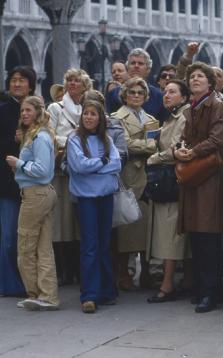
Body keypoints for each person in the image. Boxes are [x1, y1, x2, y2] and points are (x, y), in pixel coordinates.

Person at [174, 62, 223, 313]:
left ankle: (212, 291)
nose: (195, 80)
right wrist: (180, 149)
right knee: (196, 234)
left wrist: (192, 152)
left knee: (208, 234)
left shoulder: (216, 105)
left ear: (210, 82)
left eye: (200, 76)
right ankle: (202, 288)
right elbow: (184, 137)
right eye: (192, 77)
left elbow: (218, 138)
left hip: (209, 174)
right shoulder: (192, 108)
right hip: (195, 173)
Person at [67, 100, 121, 313]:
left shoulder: (106, 139)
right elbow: (79, 165)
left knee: (104, 244)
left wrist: (97, 164)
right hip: (86, 198)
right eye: (85, 113)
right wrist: (103, 163)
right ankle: (89, 294)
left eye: (93, 114)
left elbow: (117, 163)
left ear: (100, 118)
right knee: (90, 246)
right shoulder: (75, 140)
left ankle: (107, 290)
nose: (88, 117)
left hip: (105, 196)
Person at [6, 96, 59, 311]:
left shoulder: (40, 138)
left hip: (36, 195)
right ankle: (47, 295)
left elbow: (42, 171)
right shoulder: (35, 136)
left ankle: (35, 292)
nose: (24, 114)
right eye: (22, 111)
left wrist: (18, 163)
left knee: (26, 247)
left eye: (28, 110)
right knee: (43, 248)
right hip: (40, 194)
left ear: (38, 112)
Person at [146, 80, 190, 303]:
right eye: (165, 91)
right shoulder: (171, 116)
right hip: (168, 179)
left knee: (170, 233)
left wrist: (154, 157)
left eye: (172, 92)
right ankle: (172, 280)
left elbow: (176, 147)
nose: (166, 95)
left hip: (173, 179)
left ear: (183, 97)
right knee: (168, 232)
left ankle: (168, 284)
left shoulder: (183, 116)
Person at [112, 77, 159, 291]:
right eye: (132, 92)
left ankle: (147, 273)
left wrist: (150, 145)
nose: (137, 96)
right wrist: (149, 145)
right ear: (125, 95)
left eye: (140, 92)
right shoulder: (116, 118)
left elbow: (156, 143)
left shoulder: (150, 117)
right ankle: (123, 273)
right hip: (128, 175)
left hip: (148, 176)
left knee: (147, 226)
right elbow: (125, 145)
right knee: (127, 225)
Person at [47, 68, 93, 286]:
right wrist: (73, 142)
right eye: (70, 81)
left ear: (85, 85)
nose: (73, 84)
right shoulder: (55, 107)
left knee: (77, 222)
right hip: (60, 169)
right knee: (60, 221)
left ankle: (77, 268)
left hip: (82, 169)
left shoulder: (88, 108)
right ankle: (63, 269)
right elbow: (51, 134)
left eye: (77, 81)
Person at [0, 66, 36, 297]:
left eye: (21, 80)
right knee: (8, 238)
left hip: (33, 182)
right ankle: (9, 284)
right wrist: (12, 141)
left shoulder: (38, 111)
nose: (17, 84)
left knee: (30, 238)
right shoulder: (3, 110)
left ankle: (30, 281)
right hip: (7, 182)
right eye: (13, 80)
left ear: (30, 85)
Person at [106, 49, 169, 124]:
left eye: (140, 63)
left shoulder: (158, 96)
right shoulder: (113, 94)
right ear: (127, 68)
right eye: (133, 63)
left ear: (148, 70)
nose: (136, 66)